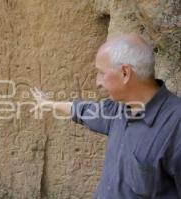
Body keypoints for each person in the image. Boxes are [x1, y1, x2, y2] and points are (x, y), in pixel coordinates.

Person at [30, 34, 181, 199]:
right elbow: (83, 110)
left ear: (125, 73)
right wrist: (50, 104)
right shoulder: (118, 109)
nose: (97, 82)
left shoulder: (175, 125)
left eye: (101, 73)